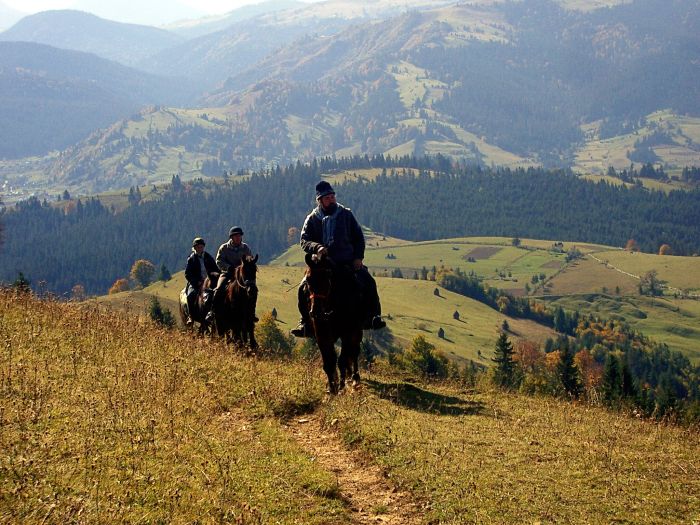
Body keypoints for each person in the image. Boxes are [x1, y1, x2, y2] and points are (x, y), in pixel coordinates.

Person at [291, 181, 385, 337]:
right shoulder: (312, 219)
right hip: (321, 265)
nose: (331, 199)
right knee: (302, 288)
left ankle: (374, 317)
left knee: (368, 281)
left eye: (332, 196)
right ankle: (305, 322)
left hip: (346, 262)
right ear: (320, 200)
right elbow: (304, 240)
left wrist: (358, 258)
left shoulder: (346, 214)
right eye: (327, 197)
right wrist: (317, 247)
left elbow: (358, 238)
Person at [208, 226, 254, 322]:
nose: (238, 238)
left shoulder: (246, 248)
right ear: (231, 237)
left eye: (239, 236)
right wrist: (228, 267)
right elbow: (219, 261)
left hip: (241, 275)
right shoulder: (224, 248)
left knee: (252, 289)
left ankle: (251, 313)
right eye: (236, 236)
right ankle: (212, 311)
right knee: (219, 289)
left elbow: (250, 260)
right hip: (227, 274)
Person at [184, 237, 218, 324]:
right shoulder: (191, 259)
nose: (200, 248)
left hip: (208, 282)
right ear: (194, 248)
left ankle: (213, 313)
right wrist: (196, 282)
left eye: (201, 246)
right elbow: (187, 274)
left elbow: (216, 270)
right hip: (196, 283)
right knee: (190, 295)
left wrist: (214, 277)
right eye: (198, 247)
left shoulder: (208, 257)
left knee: (216, 294)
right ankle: (191, 316)